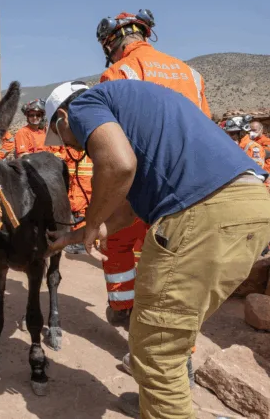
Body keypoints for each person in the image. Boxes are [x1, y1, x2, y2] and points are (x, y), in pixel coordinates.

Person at [44, 80, 270, 418]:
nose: (74, 146)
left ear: (62, 117)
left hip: (201, 213)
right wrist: (76, 237)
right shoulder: (140, 106)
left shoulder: (83, 106)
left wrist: (91, 221)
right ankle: (160, 404)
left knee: (155, 349)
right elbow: (127, 210)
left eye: (67, 140)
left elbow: (119, 165)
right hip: (250, 208)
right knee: (170, 337)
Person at [96, 9, 212, 328]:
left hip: (148, 188)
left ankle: (124, 309)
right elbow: (207, 131)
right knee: (181, 270)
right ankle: (181, 352)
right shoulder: (192, 74)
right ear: (146, 34)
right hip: (197, 187)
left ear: (113, 43)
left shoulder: (120, 73)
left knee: (119, 240)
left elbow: (118, 147)